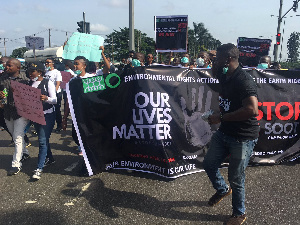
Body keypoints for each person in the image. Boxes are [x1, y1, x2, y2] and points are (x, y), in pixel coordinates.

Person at [203, 43, 260, 225]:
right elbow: (214, 74)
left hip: (243, 137)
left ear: (228, 59)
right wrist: (214, 61)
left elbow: (252, 109)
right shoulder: (224, 73)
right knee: (209, 163)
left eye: (218, 58)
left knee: (236, 177)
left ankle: (239, 213)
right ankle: (222, 189)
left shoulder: (243, 79)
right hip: (225, 131)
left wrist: (221, 117)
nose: (215, 61)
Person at [27, 62, 57, 180]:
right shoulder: (30, 83)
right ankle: (50, 158)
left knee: (42, 141)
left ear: (40, 72)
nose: (30, 74)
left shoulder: (47, 82)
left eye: (32, 72)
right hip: (35, 115)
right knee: (44, 138)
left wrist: (46, 98)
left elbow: (54, 100)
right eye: (29, 72)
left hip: (47, 115)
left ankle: (39, 168)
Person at [0, 58, 30, 175]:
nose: (6, 67)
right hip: (7, 111)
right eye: (6, 65)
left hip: (20, 113)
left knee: (17, 137)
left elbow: (30, 96)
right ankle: (25, 152)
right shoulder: (2, 78)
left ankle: (16, 164)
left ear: (18, 67)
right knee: (15, 135)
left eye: (10, 66)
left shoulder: (25, 79)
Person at [62, 55, 95, 156]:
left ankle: (90, 158)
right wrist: (64, 117)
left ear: (84, 66)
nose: (75, 66)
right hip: (77, 114)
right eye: (74, 64)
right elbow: (68, 100)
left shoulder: (91, 78)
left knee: (89, 136)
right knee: (76, 136)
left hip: (89, 114)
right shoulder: (72, 82)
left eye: (77, 64)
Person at [44, 58, 63, 132]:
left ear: (53, 64)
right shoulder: (46, 72)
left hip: (56, 93)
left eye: (48, 62)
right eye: (45, 62)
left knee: (56, 110)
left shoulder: (56, 72)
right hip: (47, 94)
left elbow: (58, 83)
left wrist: (54, 92)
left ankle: (59, 125)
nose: (46, 64)